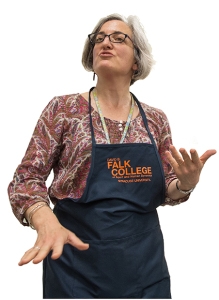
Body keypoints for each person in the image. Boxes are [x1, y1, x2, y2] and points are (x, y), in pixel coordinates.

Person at [8, 13, 216, 299]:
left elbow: (166, 191)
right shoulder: (63, 110)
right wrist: (45, 221)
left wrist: (186, 183)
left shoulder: (154, 120)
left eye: (119, 38)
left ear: (136, 61)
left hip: (145, 265)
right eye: (100, 38)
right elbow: (25, 179)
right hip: (75, 263)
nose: (106, 42)